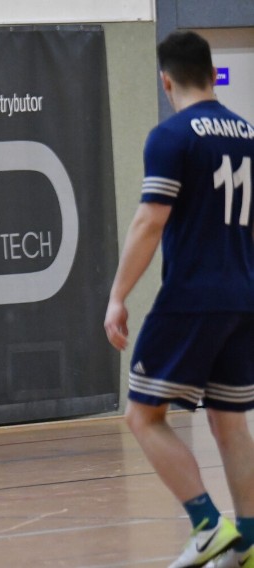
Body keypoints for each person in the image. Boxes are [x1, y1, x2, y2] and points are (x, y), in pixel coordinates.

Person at [104, 31, 254, 568]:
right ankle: (250, 540)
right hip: (243, 295)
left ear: (166, 81)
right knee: (229, 420)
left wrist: (117, 295)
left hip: (192, 296)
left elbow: (150, 221)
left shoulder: (171, 135)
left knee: (142, 416)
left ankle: (209, 526)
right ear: (212, 74)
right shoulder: (247, 133)